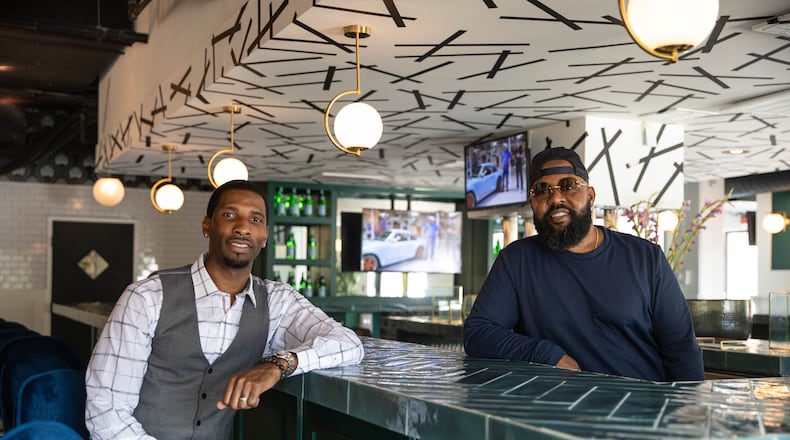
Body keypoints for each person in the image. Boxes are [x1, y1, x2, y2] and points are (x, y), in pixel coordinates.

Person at [85, 180, 364, 439]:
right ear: (207, 226)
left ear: (265, 235)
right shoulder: (146, 297)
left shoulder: (278, 301)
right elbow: (105, 410)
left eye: (255, 219)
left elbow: (348, 344)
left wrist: (278, 365)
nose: (243, 227)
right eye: (230, 215)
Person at [463, 147, 703, 382]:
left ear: (590, 196)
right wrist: (544, 354)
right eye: (541, 190)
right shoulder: (517, 261)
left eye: (568, 186)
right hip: (557, 410)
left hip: (641, 410)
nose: (555, 197)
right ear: (532, 202)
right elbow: (478, 333)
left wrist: (687, 409)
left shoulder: (645, 258)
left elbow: (680, 346)